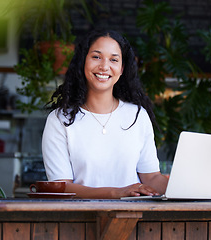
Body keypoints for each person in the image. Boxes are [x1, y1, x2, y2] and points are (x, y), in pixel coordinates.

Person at [42, 29, 168, 199]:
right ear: (83, 61)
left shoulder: (137, 115)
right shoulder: (59, 120)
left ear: (121, 69)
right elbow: (62, 187)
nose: (104, 66)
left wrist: (178, 185)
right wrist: (116, 193)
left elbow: (151, 177)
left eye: (113, 59)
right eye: (96, 57)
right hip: (79, 221)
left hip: (134, 219)